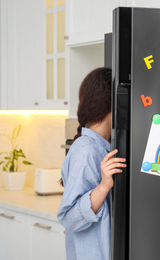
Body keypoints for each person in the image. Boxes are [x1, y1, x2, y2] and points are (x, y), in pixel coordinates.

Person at [57, 67, 126, 260]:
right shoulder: (86, 149)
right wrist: (104, 186)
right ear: (111, 103)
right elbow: (70, 220)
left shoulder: (106, 146)